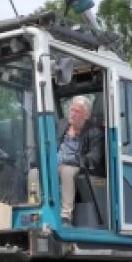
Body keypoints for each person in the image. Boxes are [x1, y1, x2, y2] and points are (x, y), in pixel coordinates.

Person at [52, 95, 104, 224]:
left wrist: (75, 160)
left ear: (86, 115)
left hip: (76, 165)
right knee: (35, 172)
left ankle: (66, 215)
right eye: (71, 110)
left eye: (77, 111)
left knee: (66, 171)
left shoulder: (95, 132)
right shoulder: (62, 125)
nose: (72, 114)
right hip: (56, 163)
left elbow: (94, 158)